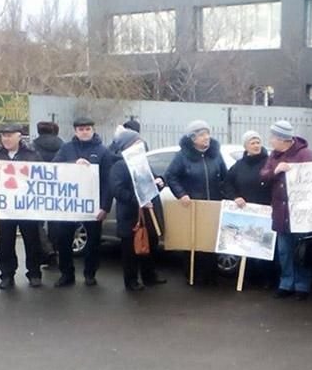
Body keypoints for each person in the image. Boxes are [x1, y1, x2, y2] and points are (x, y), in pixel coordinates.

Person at [0, 124, 45, 290]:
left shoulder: (32, 155)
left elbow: (44, 177)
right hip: (7, 207)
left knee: (32, 241)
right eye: (3, 136)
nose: (6, 139)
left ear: (19, 136)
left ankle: (34, 273)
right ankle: (7, 275)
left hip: (27, 207)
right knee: (6, 243)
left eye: (10, 135)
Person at [52, 117, 114, 287]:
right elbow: (54, 168)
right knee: (64, 240)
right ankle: (66, 274)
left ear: (93, 130)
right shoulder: (66, 148)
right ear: (75, 131)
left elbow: (108, 181)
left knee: (93, 242)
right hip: (69, 205)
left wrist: (105, 206)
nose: (84, 132)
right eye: (81, 129)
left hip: (92, 205)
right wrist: (73, 164)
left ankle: (90, 273)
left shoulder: (103, 151)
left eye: (87, 129)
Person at [164, 120, 227, 285]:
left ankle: (210, 277)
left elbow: (225, 177)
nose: (206, 137)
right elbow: (170, 176)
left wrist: (226, 195)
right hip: (192, 205)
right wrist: (181, 194)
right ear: (193, 138)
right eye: (202, 135)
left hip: (213, 204)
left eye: (207, 134)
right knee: (193, 241)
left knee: (211, 240)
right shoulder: (182, 156)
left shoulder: (215, 154)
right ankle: (193, 276)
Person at [260, 120, 312, 300]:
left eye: (273, 137)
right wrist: (276, 170)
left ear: (283, 139)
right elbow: (263, 175)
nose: (270, 140)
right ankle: (286, 283)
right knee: (284, 251)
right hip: (280, 212)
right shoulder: (274, 156)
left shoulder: (304, 154)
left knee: (301, 251)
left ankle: (302, 286)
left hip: (299, 213)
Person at [108, 129, 166, 291]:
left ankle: (149, 276)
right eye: (136, 143)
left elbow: (151, 186)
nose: (141, 145)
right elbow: (117, 191)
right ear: (127, 146)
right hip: (131, 216)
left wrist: (160, 182)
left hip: (149, 214)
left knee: (150, 245)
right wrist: (139, 201)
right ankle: (131, 280)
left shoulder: (143, 164)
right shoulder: (119, 166)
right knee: (131, 249)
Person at [224, 130, 276, 287]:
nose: (256, 145)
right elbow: (227, 183)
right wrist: (235, 197)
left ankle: (268, 280)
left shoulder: (269, 162)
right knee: (247, 247)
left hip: (265, 212)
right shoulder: (238, 166)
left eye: (258, 142)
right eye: (252, 143)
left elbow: (276, 184)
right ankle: (249, 279)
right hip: (245, 213)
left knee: (264, 248)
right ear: (246, 146)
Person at [31, 121, 63, 266]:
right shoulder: (63, 146)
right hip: (58, 188)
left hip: (37, 189)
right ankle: (55, 250)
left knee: (37, 223)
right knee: (55, 221)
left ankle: (46, 249)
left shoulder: (32, 147)